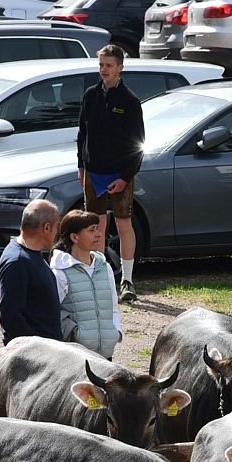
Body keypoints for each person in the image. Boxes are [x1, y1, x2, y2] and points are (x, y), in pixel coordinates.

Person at [76, 44, 144, 304]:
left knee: (124, 224)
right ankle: (99, 278)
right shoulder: (90, 95)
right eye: (101, 65)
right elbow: (82, 133)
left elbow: (139, 144)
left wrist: (125, 177)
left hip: (120, 173)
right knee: (96, 226)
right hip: (93, 171)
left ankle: (127, 280)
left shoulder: (129, 101)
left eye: (109, 65)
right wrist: (82, 166)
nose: (104, 70)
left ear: (120, 68)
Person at [51, 209, 121, 357]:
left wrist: (115, 332)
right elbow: (52, 312)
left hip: (105, 355)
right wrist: (73, 334)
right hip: (76, 357)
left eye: (97, 228)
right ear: (74, 237)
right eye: (91, 230)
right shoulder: (60, 272)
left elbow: (113, 306)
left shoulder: (104, 267)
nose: (98, 234)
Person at [0, 199, 62, 343]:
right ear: (46, 228)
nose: (57, 232)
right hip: (36, 353)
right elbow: (10, 317)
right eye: (57, 226)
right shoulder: (18, 262)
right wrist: (37, 347)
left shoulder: (31, 253)